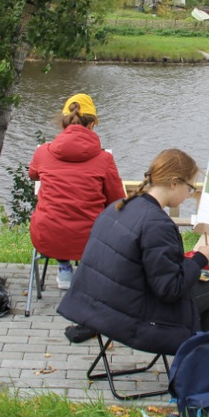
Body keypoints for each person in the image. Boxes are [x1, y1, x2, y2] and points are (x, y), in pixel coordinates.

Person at [57, 149, 209, 354]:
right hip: (133, 318)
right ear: (174, 183)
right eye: (190, 187)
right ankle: (202, 357)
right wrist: (199, 259)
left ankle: (201, 345)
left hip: (99, 309)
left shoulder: (118, 206)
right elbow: (170, 290)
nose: (189, 194)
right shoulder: (158, 224)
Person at [28, 93, 124, 290]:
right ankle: (88, 272)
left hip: (46, 236)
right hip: (90, 239)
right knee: (95, 224)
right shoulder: (104, 159)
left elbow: (33, 174)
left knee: (57, 221)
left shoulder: (43, 152)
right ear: (91, 125)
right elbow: (117, 199)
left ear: (64, 123)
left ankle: (64, 269)